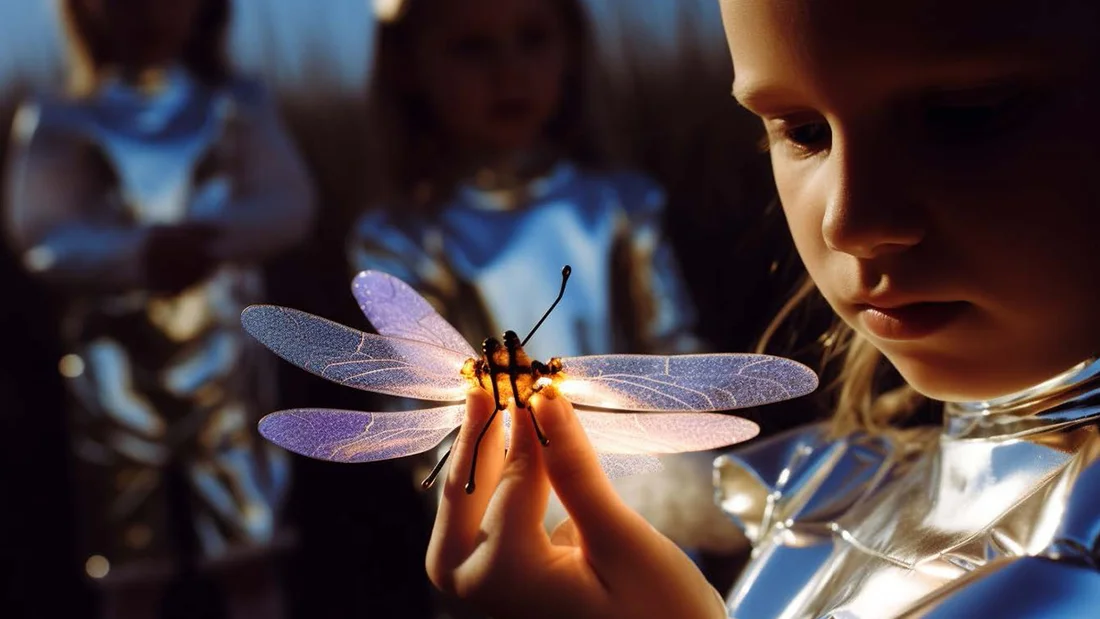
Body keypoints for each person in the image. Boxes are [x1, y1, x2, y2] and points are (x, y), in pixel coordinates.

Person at [420, 0, 1100, 617]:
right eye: (803, 131)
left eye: (963, 114)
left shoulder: (1070, 551)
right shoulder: (833, 488)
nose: (849, 219)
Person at [348, 0, 742, 578]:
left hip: (642, 482)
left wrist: (686, 436)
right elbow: (416, 407)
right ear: (409, 64)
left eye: (532, 39)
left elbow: (672, 349)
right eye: (472, 48)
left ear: (572, 48)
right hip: (502, 500)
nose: (509, 73)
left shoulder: (622, 205)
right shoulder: (399, 239)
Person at [1, 1, 315, 618]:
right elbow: (41, 233)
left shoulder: (235, 105)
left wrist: (206, 242)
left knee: (249, 546)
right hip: (114, 368)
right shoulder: (62, 117)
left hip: (225, 357)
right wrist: (141, 255)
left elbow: (289, 205)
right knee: (128, 558)